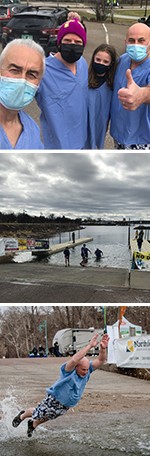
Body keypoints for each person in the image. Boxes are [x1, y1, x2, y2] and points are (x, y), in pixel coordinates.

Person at [12, 333, 109, 438]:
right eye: (83, 369)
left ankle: (33, 424)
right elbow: (74, 359)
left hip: (66, 405)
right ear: (76, 367)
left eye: (87, 369)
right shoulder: (68, 371)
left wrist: (103, 349)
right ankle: (23, 415)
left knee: (49, 416)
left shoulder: (88, 370)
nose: (86, 372)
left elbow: (100, 360)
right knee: (39, 413)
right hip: (55, 399)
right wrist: (90, 346)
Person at [36, 16, 88, 149]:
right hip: (56, 145)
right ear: (59, 43)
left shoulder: (82, 64)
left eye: (77, 42)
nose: (72, 45)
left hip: (81, 140)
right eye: (67, 40)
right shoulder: (42, 70)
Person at [110, 23, 150, 149]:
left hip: (141, 140)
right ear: (125, 42)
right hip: (118, 135)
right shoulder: (122, 60)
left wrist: (142, 95)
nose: (136, 44)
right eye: (131, 40)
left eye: (141, 40)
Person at [0, 39, 45, 150]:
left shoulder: (32, 130)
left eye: (31, 74)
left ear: (38, 83)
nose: (22, 80)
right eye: (15, 70)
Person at [88, 43, 117, 149]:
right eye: (98, 60)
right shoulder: (84, 80)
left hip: (100, 126)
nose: (101, 63)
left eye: (105, 62)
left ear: (111, 64)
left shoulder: (112, 85)